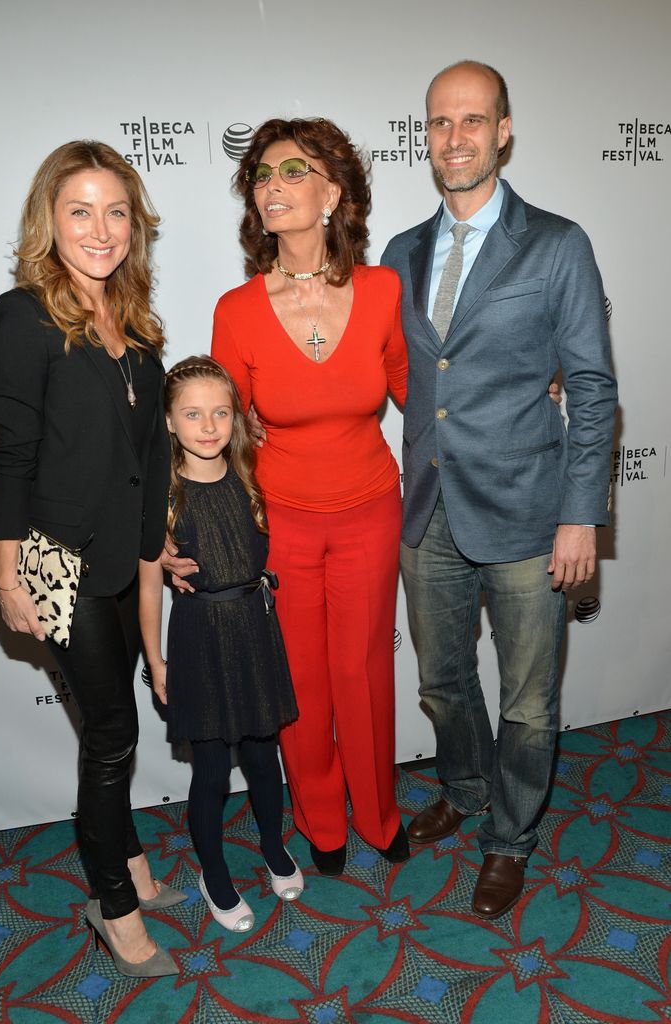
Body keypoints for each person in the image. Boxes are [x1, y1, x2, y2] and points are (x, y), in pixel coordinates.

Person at [381, 61, 617, 919]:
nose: (453, 138)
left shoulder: (557, 244)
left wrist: (579, 514)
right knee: (443, 684)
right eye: (439, 122)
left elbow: (590, 387)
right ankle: (467, 789)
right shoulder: (399, 252)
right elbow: (411, 375)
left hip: (527, 511)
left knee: (526, 701)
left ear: (503, 130)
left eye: (471, 121)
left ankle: (508, 837)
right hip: (427, 512)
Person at [0, 140, 184, 979]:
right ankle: (114, 903)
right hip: (53, 562)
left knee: (109, 730)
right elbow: (12, 458)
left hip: (120, 564)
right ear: (48, 221)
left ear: (134, 225)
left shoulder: (135, 328)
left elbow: (144, 456)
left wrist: (158, 541)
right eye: (80, 210)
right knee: (111, 734)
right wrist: (7, 572)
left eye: (116, 211)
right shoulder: (22, 315)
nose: (100, 229)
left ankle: (128, 862)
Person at [206, 117, 410, 875]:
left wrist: (523, 385)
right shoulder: (238, 309)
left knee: (364, 670)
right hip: (282, 520)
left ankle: (379, 813)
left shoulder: (385, 290)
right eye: (260, 175)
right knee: (301, 679)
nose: (271, 186)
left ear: (333, 194)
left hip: (368, 510)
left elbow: (418, 393)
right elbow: (227, 434)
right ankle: (322, 824)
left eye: (292, 171)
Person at [139, 356, 302, 933]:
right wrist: (155, 658)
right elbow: (149, 586)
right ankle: (213, 871)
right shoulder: (161, 492)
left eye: (220, 412)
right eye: (192, 414)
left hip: (255, 629)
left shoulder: (252, 473)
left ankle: (273, 846)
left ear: (236, 418)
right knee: (210, 771)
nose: (208, 426)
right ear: (168, 422)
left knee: (263, 757)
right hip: (199, 638)